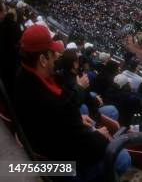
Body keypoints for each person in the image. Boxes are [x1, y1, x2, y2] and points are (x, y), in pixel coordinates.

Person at [13, 24, 130, 178]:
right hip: (63, 167)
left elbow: (58, 120)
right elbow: (84, 146)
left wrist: (78, 120)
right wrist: (98, 135)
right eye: (52, 53)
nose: (56, 57)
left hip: (44, 150)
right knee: (123, 158)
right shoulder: (52, 102)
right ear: (42, 59)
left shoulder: (22, 75)